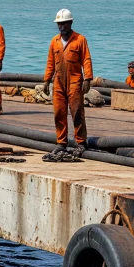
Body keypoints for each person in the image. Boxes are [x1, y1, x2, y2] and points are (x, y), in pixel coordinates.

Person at [43, 9, 92, 162]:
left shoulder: (80, 40)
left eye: (63, 23)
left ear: (70, 23)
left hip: (75, 80)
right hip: (58, 82)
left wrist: (87, 79)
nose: (61, 26)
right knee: (59, 112)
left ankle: (81, 141)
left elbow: (86, 59)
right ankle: (61, 142)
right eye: (59, 24)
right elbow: (50, 62)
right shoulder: (54, 41)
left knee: (77, 111)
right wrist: (46, 80)